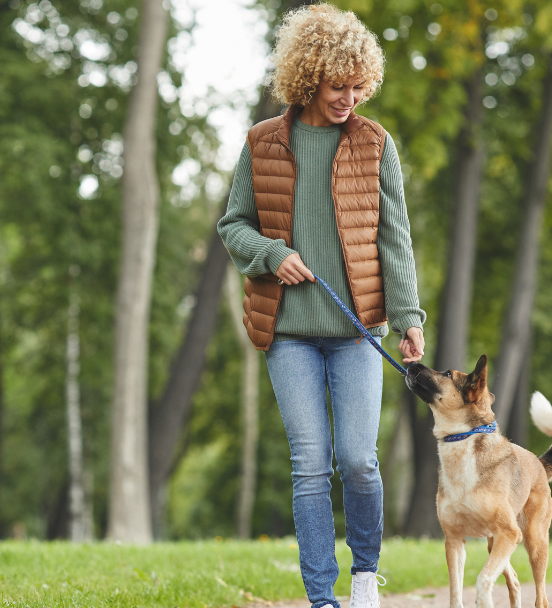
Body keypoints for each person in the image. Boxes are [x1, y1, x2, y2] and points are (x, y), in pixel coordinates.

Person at [217, 6, 426, 608]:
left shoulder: (374, 142)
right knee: (311, 465)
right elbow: (233, 225)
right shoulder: (263, 142)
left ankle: (365, 577)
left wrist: (409, 318)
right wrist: (269, 253)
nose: (350, 98)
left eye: (360, 86)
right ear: (309, 78)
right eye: (339, 86)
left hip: (358, 329)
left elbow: (395, 239)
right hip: (289, 333)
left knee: (360, 459)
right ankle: (320, 597)